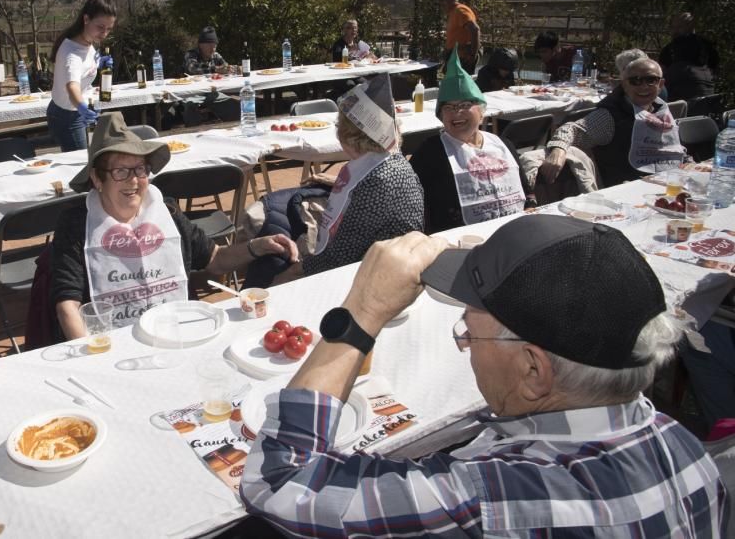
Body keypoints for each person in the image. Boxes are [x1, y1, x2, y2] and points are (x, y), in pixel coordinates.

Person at [240, 215, 727, 536]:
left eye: (469, 332)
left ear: (534, 369)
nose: (466, 344)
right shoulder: (684, 447)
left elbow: (279, 481)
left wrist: (362, 310)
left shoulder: (492, 496)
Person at [49, 112, 297, 340]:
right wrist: (92, 355)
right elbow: (67, 306)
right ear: (96, 178)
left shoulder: (165, 210)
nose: (134, 181)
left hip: (175, 331)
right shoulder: (77, 223)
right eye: (121, 171)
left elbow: (215, 258)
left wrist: (257, 246)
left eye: (140, 169)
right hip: (113, 341)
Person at [246, 74, 423, 287]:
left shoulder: (375, 183)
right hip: (394, 265)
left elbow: (338, 258)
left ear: (349, 135)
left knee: (269, 264)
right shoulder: (393, 163)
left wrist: (283, 278)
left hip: (367, 278)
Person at [410, 49, 532, 234]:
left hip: (514, 235)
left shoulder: (503, 145)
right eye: (448, 107)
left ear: (482, 112)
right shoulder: (429, 152)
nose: (456, 112)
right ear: (440, 116)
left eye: (465, 105)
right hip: (460, 245)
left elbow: (528, 193)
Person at [540, 57, 685, 187]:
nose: (643, 86)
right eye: (635, 80)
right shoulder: (610, 116)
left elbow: (672, 149)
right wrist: (558, 149)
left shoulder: (661, 111)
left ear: (660, 84)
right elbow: (572, 130)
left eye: (651, 80)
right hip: (625, 190)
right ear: (624, 85)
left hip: (663, 185)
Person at [47, 0, 115, 151]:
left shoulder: (87, 40)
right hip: (67, 115)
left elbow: (83, 67)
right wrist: (81, 107)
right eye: (100, 27)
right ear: (86, 19)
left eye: (109, 29)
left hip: (72, 109)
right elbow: (72, 86)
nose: (104, 33)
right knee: (81, 164)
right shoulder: (71, 54)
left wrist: (97, 63)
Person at [659, 12, 719, 101]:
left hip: (686, 101)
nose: (675, 31)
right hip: (706, 101)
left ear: (691, 26)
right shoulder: (706, 44)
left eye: (679, 27)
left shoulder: (705, 46)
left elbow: (660, 75)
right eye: (673, 27)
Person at [438, 0, 480, 73]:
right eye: (441, 0)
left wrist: (473, 54)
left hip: (463, 57)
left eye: (444, 0)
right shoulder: (453, 12)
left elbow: (475, 29)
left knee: (460, 84)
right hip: (455, 56)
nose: (441, 3)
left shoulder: (460, 10)